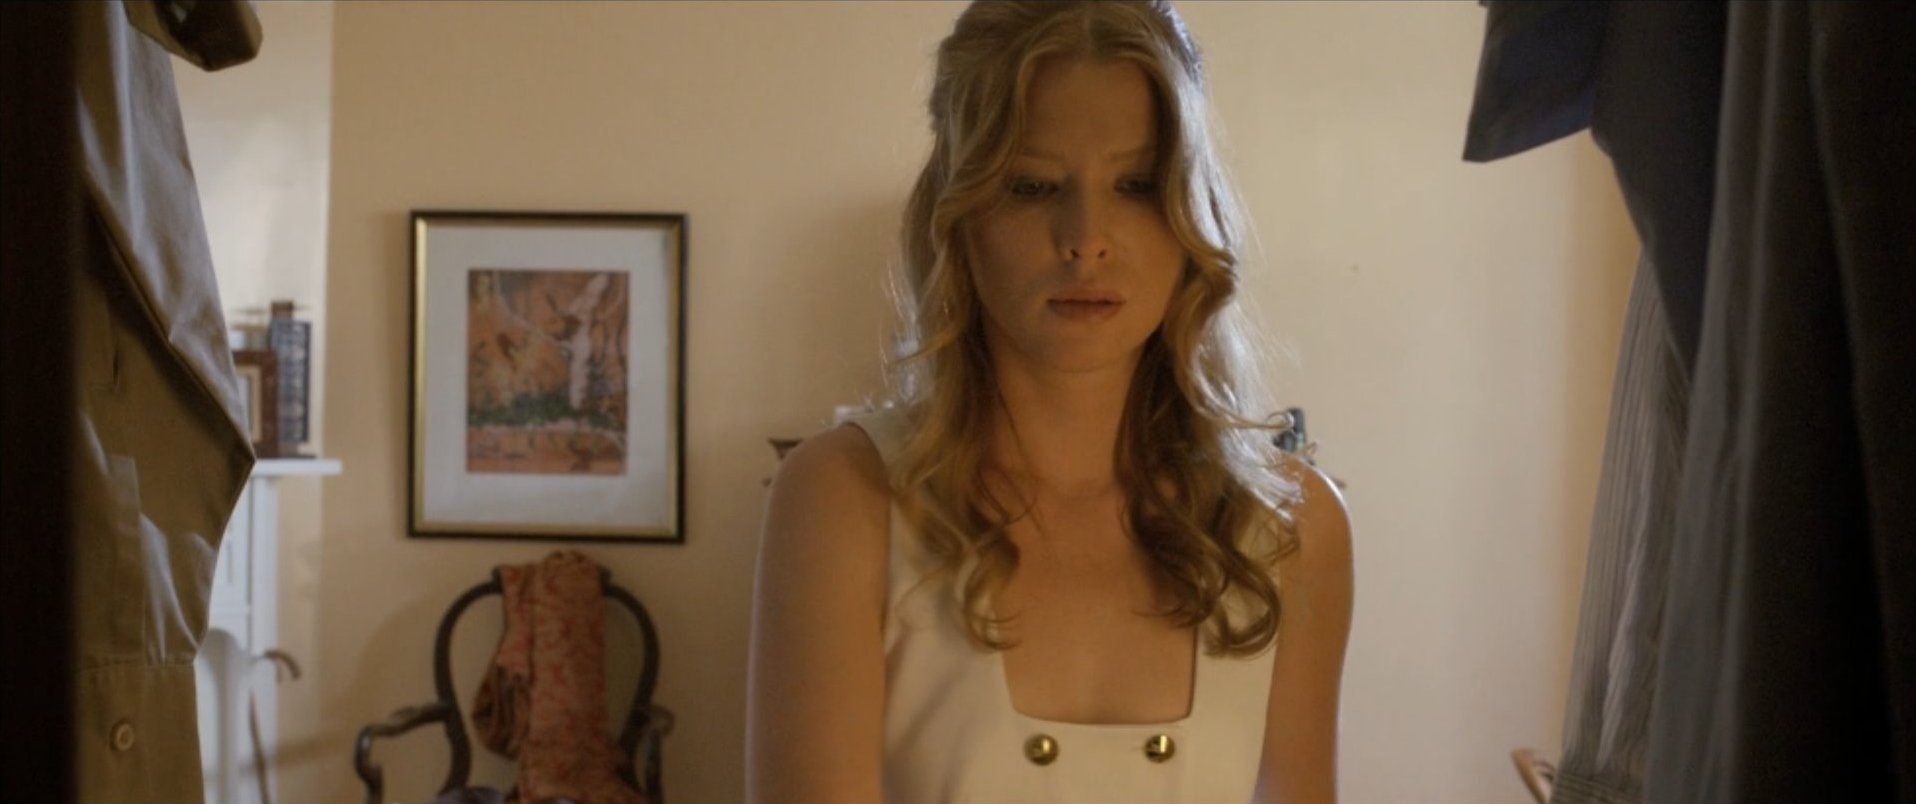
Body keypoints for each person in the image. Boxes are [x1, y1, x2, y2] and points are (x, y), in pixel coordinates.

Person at [746, 2, 1352, 802]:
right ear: (958, 213)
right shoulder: (846, 499)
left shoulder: (1294, 527)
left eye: (1136, 185)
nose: (1085, 237)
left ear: (1189, 214)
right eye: (1032, 185)